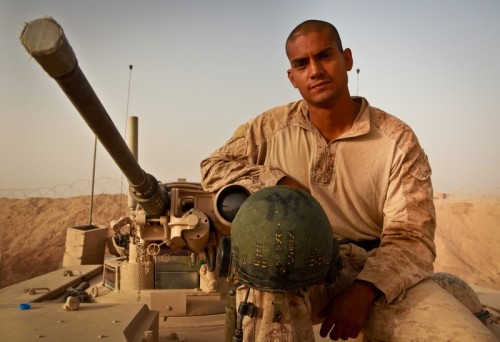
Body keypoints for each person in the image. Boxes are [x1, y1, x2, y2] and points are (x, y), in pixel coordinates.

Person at [201, 20, 496, 341]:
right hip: (293, 267)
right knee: (270, 302)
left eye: (325, 56)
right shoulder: (270, 127)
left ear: (347, 60)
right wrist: (277, 181)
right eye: (302, 64)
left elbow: (412, 237)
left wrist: (363, 291)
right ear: (293, 77)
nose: (315, 70)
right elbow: (213, 167)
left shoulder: (396, 140)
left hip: (377, 270)